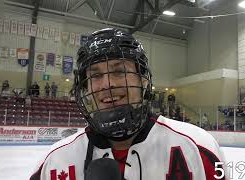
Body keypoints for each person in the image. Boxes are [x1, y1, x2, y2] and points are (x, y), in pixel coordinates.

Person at [30, 28, 226, 180]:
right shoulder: (55, 162)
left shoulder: (198, 148)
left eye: (119, 71)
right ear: (85, 87)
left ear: (143, 80)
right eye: (96, 75)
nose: (107, 84)